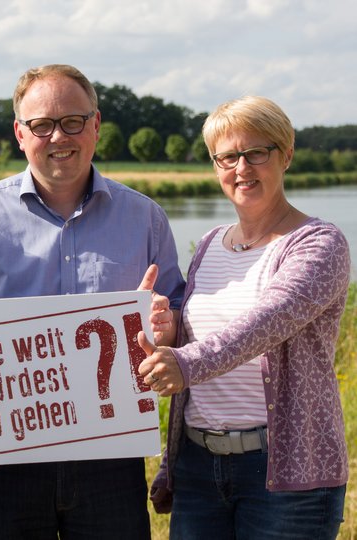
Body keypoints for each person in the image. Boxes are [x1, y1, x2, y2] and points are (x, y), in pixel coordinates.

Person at [0, 63, 184, 539]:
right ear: (20, 134)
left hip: (111, 454)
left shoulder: (146, 219)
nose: (58, 136)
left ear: (96, 126)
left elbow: (176, 321)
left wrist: (164, 330)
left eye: (72, 121)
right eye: (41, 125)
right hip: (8, 460)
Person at [138, 96, 350, 540]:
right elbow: (202, 331)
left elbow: (266, 323)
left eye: (257, 152)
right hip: (198, 466)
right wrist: (167, 328)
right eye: (228, 156)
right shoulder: (212, 243)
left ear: (286, 155)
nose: (242, 168)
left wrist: (187, 363)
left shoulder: (319, 243)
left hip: (285, 470)